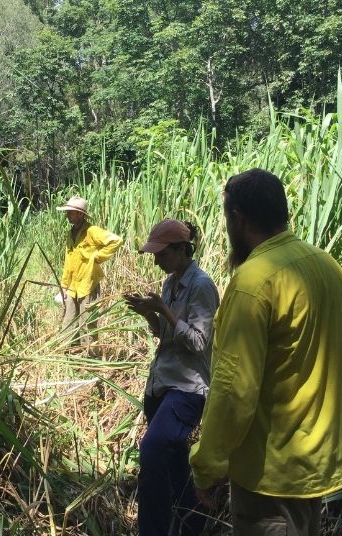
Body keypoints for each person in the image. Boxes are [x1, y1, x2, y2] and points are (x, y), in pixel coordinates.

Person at [189, 169, 342, 536]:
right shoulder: (329, 269)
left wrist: (208, 465)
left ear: (238, 219)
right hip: (315, 465)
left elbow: (234, 389)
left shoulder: (253, 282)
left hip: (269, 475)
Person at [124, 219, 219, 536]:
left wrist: (164, 310)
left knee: (151, 450)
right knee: (175, 463)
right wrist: (150, 314)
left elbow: (198, 342)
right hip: (162, 384)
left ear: (181, 250)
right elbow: (164, 336)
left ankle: (152, 530)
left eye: (161, 254)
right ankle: (192, 523)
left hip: (187, 388)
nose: (156, 260)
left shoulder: (201, 286)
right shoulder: (170, 283)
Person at [57, 195, 123, 350]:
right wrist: (64, 285)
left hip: (88, 283)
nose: (67, 215)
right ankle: (69, 354)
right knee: (69, 322)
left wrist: (96, 257)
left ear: (80, 214)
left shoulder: (92, 231)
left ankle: (91, 358)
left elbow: (116, 240)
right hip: (73, 286)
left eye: (70, 212)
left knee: (88, 322)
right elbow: (68, 261)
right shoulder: (70, 233)